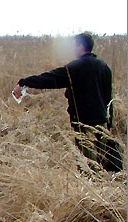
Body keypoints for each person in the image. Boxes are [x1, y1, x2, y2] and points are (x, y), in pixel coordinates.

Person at [13, 32, 120, 171]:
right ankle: (102, 189)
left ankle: (89, 187)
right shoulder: (104, 66)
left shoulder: (75, 68)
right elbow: (109, 98)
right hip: (101, 121)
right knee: (102, 159)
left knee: (87, 164)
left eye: (74, 45)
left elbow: (49, 79)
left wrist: (24, 82)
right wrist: (109, 123)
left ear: (80, 46)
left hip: (84, 123)